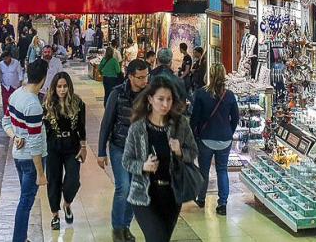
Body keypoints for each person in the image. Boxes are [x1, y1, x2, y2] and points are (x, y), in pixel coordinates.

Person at [122, 76, 198, 242]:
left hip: (172, 194)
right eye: (160, 99)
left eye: (169, 99)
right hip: (143, 195)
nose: (165, 104)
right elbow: (126, 160)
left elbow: (193, 152)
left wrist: (179, 151)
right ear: (150, 99)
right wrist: (143, 166)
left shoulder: (180, 124)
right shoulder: (138, 128)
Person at [97, 60, 150, 242]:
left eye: (146, 76)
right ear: (130, 76)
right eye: (140, 77)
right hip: (119, 147)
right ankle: (118, 230)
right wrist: (101, 152)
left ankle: (125, 226)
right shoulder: (117, 93)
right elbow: (106, 123)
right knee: (123, 187)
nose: (144, 81)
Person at [8, 59, 49, 242]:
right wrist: (40, 173)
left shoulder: (16, 94)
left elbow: (6, 121)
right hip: (30, 161)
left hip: (18, 156)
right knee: (25, 202)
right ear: (43, 78)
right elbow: (35, 143)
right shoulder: (33, 105)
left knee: (24, 199)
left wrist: (15, 136)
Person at [190, 62, 239, 215]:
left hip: (206, 138)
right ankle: (222, 203)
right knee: (222, 170)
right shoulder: (229, 95)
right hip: (225, 139)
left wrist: (194, 135)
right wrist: (229, 132)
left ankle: (201, 198)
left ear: (209, 75)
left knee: (204, 170)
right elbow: (235, 118)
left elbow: (195, 118)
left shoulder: (201, 93)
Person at [43, 72, 87, 230]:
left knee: (73, 179)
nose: (62, 90)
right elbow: (43, 129)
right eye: (59, 86)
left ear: (69, 87)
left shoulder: (78, 103)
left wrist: (83, 147)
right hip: (53, 146)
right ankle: (55, 215)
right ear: (54, 88)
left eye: (65, 86)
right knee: (53, 180)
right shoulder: (47, 104)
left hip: (72, 145)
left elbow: (81, 126)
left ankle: (67, 203)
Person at [0, 46, 24, 117]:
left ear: (9, 57)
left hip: (15, 86)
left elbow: (20, 73)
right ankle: (6, 115)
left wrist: (20, 84)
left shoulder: (16, 63)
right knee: (5, 101)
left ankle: (15, 115)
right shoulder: (1, 64)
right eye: (3, 59)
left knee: (14, 102)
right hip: (5, 86)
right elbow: (0, 73)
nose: (5, 60)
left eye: (6, 58)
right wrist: (1, 82)